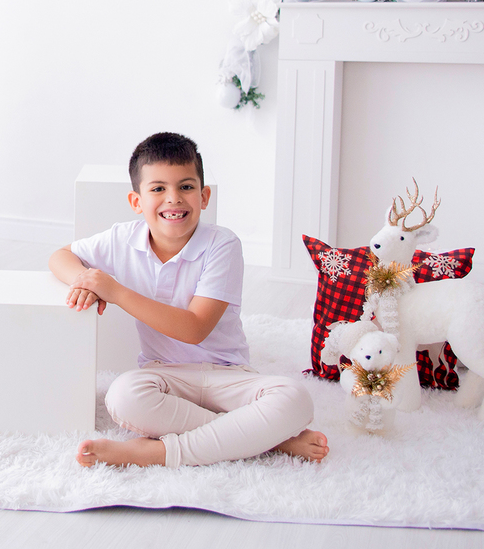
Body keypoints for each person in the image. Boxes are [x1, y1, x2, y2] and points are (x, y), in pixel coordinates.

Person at [49, 132, 328, 468]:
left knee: (295, 399)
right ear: (136, 201)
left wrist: (114, 290)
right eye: (157, 189)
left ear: (203, 195)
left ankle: (156, 454)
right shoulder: (122, 239)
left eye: (185, 187)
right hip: (165, 377)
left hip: (228, 375)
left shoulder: (222, 244)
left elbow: (195, 328)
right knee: (122, 396)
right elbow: (60, 255)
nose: (173, 199)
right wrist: (86, 280)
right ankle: (270, 441)